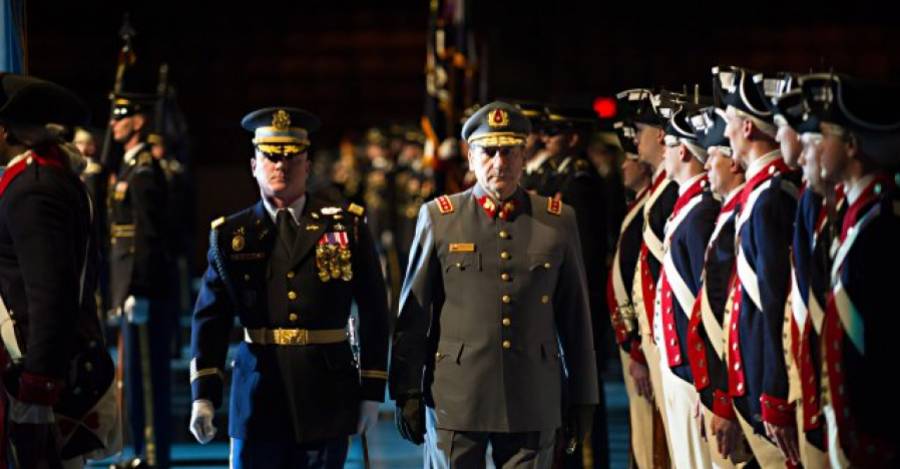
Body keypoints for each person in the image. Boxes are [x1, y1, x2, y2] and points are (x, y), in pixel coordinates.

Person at [389, 101, 598, 468]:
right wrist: (406, 388)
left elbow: (575, 317)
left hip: (532, 393)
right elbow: (414, 312)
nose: (499, 163)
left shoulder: (557, 220)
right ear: (471, 158)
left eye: (509, 151)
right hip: (458, 393)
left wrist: (583, 395)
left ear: (523, 157)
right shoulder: (440, 218)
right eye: (488, 152)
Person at [188, 107, 390, 469]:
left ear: (307, 165)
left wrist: (372, 390)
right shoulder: (232, 234)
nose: (281, 165)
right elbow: (211, 318)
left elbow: (374, 310)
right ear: (254, 165)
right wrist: (203, 395)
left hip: (326, 392)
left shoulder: (346, 226)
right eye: (271, 157)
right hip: (257, 392)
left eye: (292, 157)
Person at [0, 73, 118, 468]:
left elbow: (51, 293)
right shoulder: (44, 177)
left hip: (35, 371)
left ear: (6, 131)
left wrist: (39, 382)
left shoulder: (33, 188)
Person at [799, 73, 900, 468]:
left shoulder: (882, 225)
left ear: (852, 146)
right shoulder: (859, 219)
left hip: (875, 434)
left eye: (823, 137)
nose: (813, 148)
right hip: (851, 425)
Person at [715, 65, 800, 467]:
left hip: (765, 381)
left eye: (730, 122)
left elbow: (773, 302)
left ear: (747, 127)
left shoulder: (770, 199)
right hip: (750, 376)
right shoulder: (760, 194)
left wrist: (774, 392)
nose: (726, 132)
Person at [684, 106, 754, 468]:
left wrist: (723, 396)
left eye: (714, 156)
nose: (707, 165)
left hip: (736, 385)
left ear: (735, 164)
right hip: (716, 381)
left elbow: (739, 314)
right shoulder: (728, 212)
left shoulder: (741, 212)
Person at [107, 94, 173, 468]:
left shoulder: (144, 169)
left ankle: (152, 456)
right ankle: (139, 455)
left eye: (122, 117)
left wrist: (140, 288)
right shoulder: (131, 164)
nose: (114, 124)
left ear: (138, 121)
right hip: (127, 283)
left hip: (140, 286)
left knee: (147, 380)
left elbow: (148, 235)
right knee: (134, 378)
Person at [653, 105, 720, 469]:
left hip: (690, 369)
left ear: (682, 152)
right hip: (678, 361)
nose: (661, 152)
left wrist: (703, 379)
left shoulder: (701, 213)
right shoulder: (688, 207)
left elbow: (702, 302)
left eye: (668, 145)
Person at [606, 119, 655, 469]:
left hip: (643, 341)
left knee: (651, 439)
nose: (624, 165)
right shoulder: (639, 203)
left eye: (631, 158)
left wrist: (636, 344)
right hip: (633, 338)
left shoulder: (652, 204)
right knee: (642, 436)